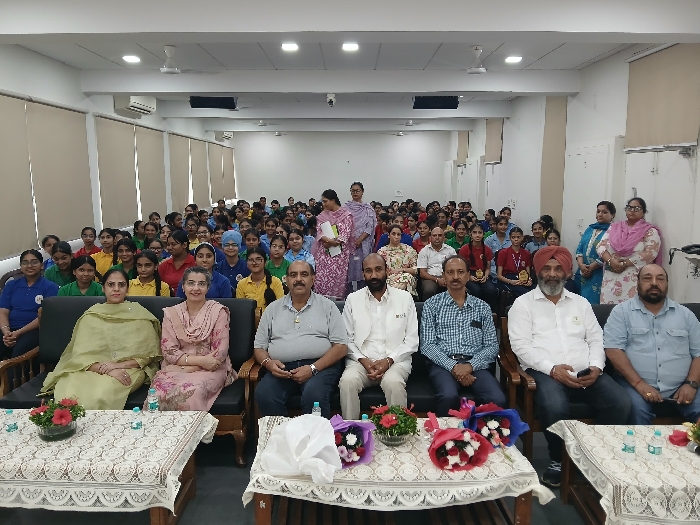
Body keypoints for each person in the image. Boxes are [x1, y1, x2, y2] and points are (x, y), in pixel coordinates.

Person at [508, 246, 631, 488]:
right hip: (544, 372)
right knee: (554, 405)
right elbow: (521, 347)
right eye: (546, 268)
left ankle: (594, 456)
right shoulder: (523, 305)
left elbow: (596, 339)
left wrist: (596, 367)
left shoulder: (581, 303)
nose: (552, 274)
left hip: (586, 372)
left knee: (620, 402)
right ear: (537, 272)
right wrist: (552, 369)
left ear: (566, 272)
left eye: (558, 269)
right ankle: (559, 460)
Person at [40, 269, 161, 410]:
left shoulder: (140, 314)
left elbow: (148, 355)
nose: (116, 289)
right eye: (111, 284)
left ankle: (99, 425)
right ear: (103, 288)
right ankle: (66, 422)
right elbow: (80, 355)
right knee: (69, 390)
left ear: (127, 288)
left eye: (121, 285)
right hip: (89, 368)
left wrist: (117, 366)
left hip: (128, 369)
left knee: (101, 394)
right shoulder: (91, 315)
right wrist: (106, 369)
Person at [604, 264, 700, 424]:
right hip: (633, 384)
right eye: (647, 278)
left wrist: (691, 384)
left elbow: (699, 353)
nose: (654, 283)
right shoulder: (621, 313)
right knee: (636, 412)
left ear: (667, 284)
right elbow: (613, 350)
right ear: (638, 283)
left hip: (681, 385)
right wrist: (639, 384)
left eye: (660, 279)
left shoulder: (685, 315)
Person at [254, 261, 348, 418]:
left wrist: (312, 368)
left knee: (314, 396)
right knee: (265, 394)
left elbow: (341, 347)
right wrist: (268, 363)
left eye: (304, 274)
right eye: (293, 275)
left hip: (320, 367)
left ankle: (313, 435)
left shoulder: (328, 306)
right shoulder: (272, 309)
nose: (298, 279)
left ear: (313, 279)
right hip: (282, 369)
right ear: (286, 280)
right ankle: (282, 434)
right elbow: (259, 347)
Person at [421, 255, 504, 416]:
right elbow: (428, 345)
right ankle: (447, 433)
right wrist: (454, 367)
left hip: (476, 365)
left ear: (468, 276)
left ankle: (483, 433)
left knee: (497, 399)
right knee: (448, 396)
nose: (455, 277)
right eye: (450, 272)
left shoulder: (482, 307)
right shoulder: (432, 305)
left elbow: (492, 346)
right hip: (443, 364)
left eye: (460, 272)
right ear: (443, 276)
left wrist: (470, 366)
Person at [339, 254, 419, 419]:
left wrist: (389, 360)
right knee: (347, 382)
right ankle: (351, 431)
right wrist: (364, 360)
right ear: (363, 274)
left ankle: (398, 431)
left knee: (393, 383)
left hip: (395, 362)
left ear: (387, 271)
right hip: (360, 362)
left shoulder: (405, 298)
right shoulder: (353, 299)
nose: (374, 275)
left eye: (378, 269)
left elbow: (412, 341)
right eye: (368, 271)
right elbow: (346, 339)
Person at [150, 267, 237, 411]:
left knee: (192, 392)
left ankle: (194, 427)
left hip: (210, 370)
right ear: (183, 286)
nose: (196, 288)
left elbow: (219, 354)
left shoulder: (218, 312)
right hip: (177, 368)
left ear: (208, 287)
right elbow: (169, 351)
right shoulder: (172, 313)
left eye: (201, 284)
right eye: (191, 283)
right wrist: (199, 361)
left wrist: (192, 366)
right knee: (159, 392)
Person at [597, 197, 661, 305]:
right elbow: (600, 246)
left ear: (643, 212)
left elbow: (651, 252)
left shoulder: (649, 231)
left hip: (633, 278)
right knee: (609, 309)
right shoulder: (614, 227)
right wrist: (611, 261)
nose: (632, 211)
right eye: (629, 207)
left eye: (636, 208)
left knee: (632, 309)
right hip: (611, 276)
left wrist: (625, 263)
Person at [0, 250, 58, 359]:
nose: (29, 266)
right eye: (25, 262)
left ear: (41, 265)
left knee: (19, 352)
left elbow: (44, 316)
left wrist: (18, 333)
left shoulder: (50, 287)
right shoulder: (11, 285)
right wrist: (6, 331)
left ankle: (11, 371)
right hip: (9, 328)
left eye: (34, 262)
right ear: (21, 266)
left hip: (34, 330)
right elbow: (3, 311)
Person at [312, 189, 356, 299]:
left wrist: (332, 242)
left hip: (340, 255)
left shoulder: (346, 216)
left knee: (338, 281)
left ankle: (337, 305)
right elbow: (319, 232)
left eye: (325, 201)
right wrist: (327, 241)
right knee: (321, 279)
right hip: (324, 254)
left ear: (333, 200)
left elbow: (345, 234)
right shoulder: (322, 216)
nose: (323, 204)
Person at [574, 201, 616, 304]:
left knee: (596, 304)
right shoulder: (590, 228)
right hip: (583, 272)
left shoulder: (614, 231)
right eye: (598, 211)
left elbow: (609, 253)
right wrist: (581, 265)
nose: (600, 214)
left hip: (600, 274)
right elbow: (580, 249)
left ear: (612, 215)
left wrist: (590, 268)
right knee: (582, 303)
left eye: (604, 212)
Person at [459, 223, 498, 311]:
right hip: (468, 274)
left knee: (491, 290)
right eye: (474, 232)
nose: (477, 235)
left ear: (483, 234)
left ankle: (489, 312)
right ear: (470, 234)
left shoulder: (487, 249)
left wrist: (486, 276)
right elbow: (461, 268)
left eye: (480, 232)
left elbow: (488, 267)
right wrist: (469, 277)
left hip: (483, 274)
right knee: (476, 290)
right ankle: (473, 312)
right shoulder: (464, 249)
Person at [345, 182, 377, 291]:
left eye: (357, 190)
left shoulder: (368, 209)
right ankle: (349, 295)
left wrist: (359, 240)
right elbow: (343, 226)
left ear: (362, 192)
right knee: (348, 270)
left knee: (363, 269)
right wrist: (351, 240)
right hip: (349, 245)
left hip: (363, 244)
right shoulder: (346, 208)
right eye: (352, 191)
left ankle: (363, 293)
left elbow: (370, 226)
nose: (355, 193)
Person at [236, 247, 284, 312]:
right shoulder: (241, 284)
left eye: (258, 259)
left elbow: (280, 308)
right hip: (248, 318)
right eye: (251, 260)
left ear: (265, 262)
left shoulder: (275, 282)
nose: (254, 263)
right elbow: (241, 309)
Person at [377, 225, 419, 296]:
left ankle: (392, 295)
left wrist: (402, 270)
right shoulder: (381, 252)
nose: (396, 237)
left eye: (398, 234)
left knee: (407, 278)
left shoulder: (409, 250)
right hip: (388, 279)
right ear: (388, 235)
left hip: (406, 278)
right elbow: (378, 270)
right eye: (393, 234)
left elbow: (416, 270)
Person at [417, 227, 457, 300]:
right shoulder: (424, 251)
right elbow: (422, 273)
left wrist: (447, 278)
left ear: (444, 237)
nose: (437, 238)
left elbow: (455, 268)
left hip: (448, 277)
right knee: (429, 289)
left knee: (461, 289)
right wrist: (437, 279)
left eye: (440, 235)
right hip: (430, 278)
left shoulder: (450, 250)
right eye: (434, 235)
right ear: (430, 237)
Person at [496, 227, 534, 298]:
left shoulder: (526, 253)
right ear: (510, 238)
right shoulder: (503, 253)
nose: (516, 239)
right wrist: (511, 281)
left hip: (522, 278)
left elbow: (527, 272)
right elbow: (499, 276)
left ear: (522, 238)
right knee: (525, 293)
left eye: (518, 237)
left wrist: (529, 280)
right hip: (507, 280)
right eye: (513, 237)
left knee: (535, 290)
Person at [218, 230, 250, 295]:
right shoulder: (217, 267)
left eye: (234, 245)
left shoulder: (247, 267)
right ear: (223, 247)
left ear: (239, 247)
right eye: (227, 245)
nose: (230, 248)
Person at [484, 216, 512, 280]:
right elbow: (486, 258)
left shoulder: (511, 239)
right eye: (501, 224)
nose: (503, 227)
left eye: (505, 224)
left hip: (508, 270)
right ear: (496, 225)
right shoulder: (489, 240)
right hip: (492, 271)